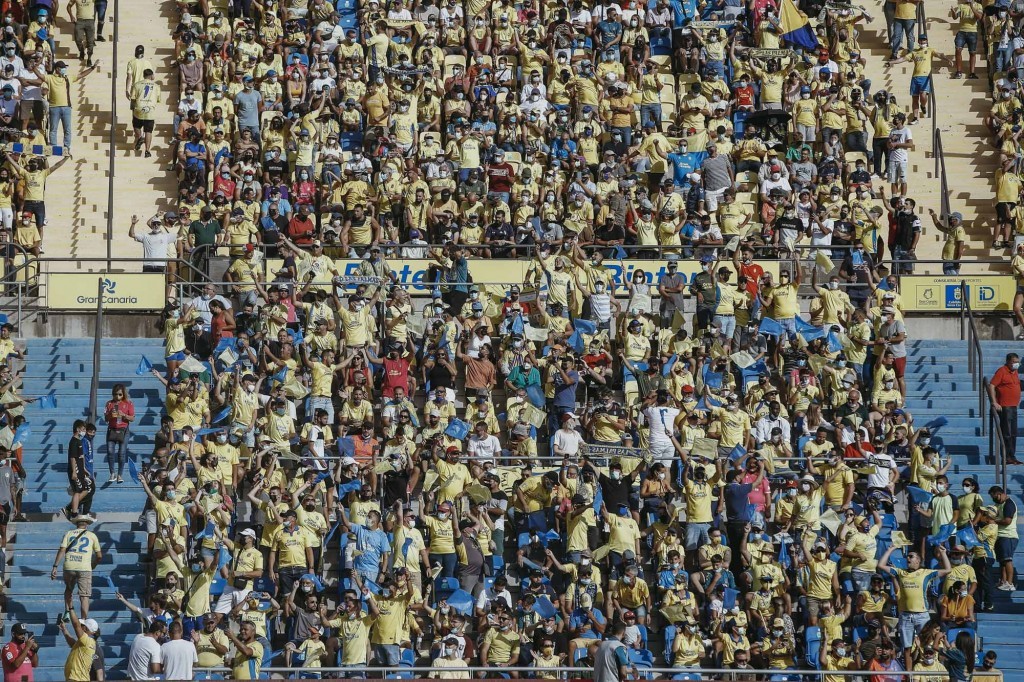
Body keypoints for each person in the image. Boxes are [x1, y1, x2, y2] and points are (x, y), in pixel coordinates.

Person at [51, 513, 101, 618]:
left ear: (76, 524)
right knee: (84, 596)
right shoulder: (92, 536)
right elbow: (99, 556)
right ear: (87, 524)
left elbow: (62, 550)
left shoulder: (68, 533)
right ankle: (83, 620)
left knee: (69, 589)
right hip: (84, 567)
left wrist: (55, 566)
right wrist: (93, 564)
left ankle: (67, 612)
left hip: (69, 566)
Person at [987, 353, 1022, 465]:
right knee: (1006, 432)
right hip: (1005, 406)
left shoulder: (1015, 372)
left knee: (1013, 433)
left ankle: (1012, 456)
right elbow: (992, 385)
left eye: (1017, 361)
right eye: (1013, 362)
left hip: (1013, 406)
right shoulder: (1002, 371)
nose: (1016, 364)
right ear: (1008, 362)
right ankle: (1006, 457)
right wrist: (994, 402)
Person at [103, 383, 134, 483]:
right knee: (110, 451)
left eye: (120, 394)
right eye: (116, 394)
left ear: (123, 394)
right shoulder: (109, 404)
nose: (118, 396)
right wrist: (111, 415)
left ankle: (120, 474)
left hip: (123, 430)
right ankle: (112, 473)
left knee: (121, 453)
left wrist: (124, 415)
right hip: (112, 429)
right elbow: (105, 418)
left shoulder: (128, 403)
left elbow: (132, 418)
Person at [58, 607, 99, 682]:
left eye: (82, 625)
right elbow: (73, 644)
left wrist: (71, 608)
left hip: (77, 679)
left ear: (86, 628)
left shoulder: (88, 641)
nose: (80, 627)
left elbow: (76, 625)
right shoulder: (87, 642)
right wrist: (64, 630)